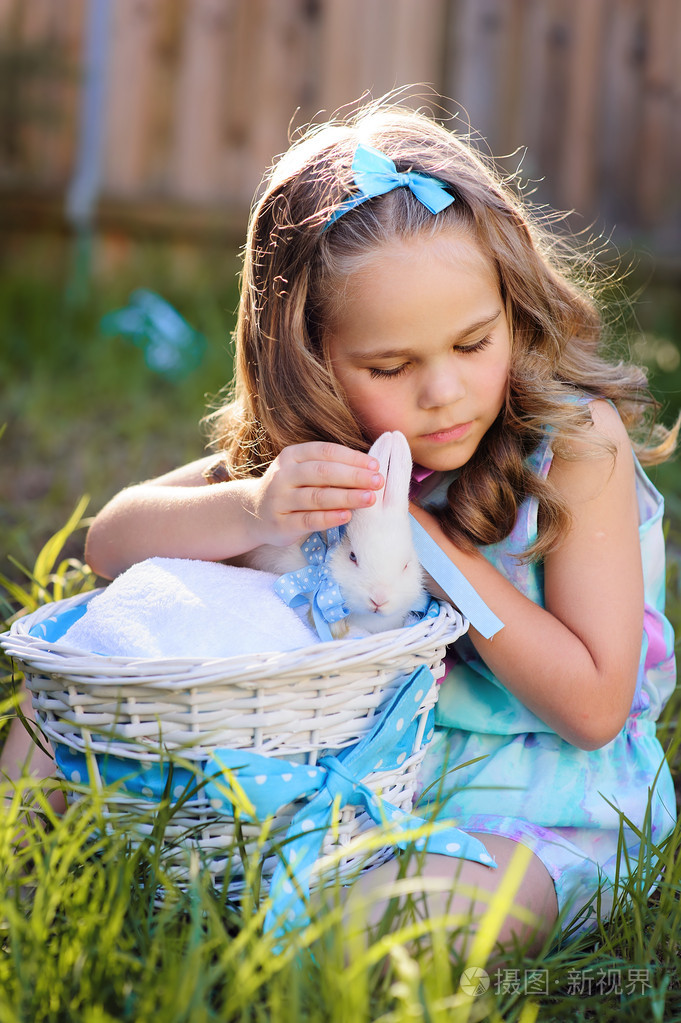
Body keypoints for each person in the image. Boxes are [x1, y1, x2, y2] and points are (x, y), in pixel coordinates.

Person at [15, 96, 681, 954]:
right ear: (310, 361)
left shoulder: (573, 445)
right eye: (390, 365)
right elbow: (108, 542)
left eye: (472, 344)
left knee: (368, 932)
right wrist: (252, 504)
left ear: (512, 309)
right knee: (52, 706)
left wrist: (426, 541)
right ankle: (20, 904)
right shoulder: (322, 456)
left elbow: (591, 708)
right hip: (345, 788)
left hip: (538, 809)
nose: (442, 392)